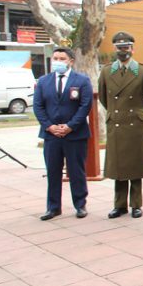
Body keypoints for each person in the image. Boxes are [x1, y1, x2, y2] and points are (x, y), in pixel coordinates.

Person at [98, 32, 143, 219]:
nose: (123, 51)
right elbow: (103, 97)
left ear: (132, 48)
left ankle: (136, 204)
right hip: (116, 123)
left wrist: (138, 113)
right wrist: (116, 111)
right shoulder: (107, 71)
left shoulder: (142, 71)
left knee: (135, 166)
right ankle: (119, 204)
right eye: (119, 47)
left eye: (126, 47)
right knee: (118, 167)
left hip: (134, 123)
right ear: (114, 48)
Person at [33, 47, 93, 220]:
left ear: (71, 61)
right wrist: (49, 126)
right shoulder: (44, 81)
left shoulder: (81, 80)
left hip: (75, 134)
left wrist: (70, 126)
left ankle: (80, 205)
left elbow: (85, 106)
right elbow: (38, 106)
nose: (57, 62)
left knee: (76, 171)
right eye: (55, 58)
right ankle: (53, 207)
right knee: (53, 172)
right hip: (51, 135)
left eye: (62, 58)